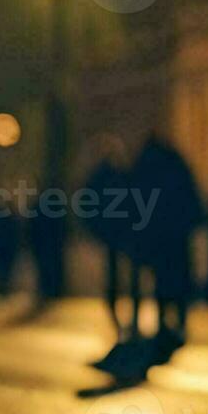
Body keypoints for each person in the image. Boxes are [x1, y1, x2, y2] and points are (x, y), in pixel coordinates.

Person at [129, 134, 204, 347]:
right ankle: (178, 321)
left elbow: (135, 202)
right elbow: (189, 197)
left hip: (157, 235)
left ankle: (164, 322)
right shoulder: (175, 166)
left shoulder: (145, 168)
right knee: (177, 278)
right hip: (175, 234)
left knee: (162, 280)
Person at [81, 136, 135, 341]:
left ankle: (123, 318)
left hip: (117, 232)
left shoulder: (106, 176)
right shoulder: (116, 175)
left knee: (119, 277)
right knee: (118, 276)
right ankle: (121, 318)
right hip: (118, 232)